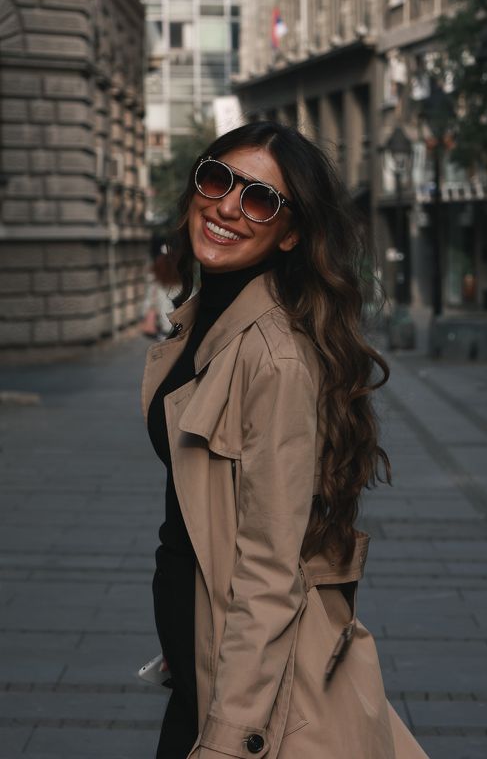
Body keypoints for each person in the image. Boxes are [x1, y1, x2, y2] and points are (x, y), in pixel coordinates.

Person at [140, 121, 429, 759]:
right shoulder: (203, 321)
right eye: (217, 180)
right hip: (198, 651)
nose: (227, 208)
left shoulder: (276, 359)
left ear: (292, 233)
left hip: (243, 685)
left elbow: (270, 566)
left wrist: (228, 738)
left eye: (260, 200)